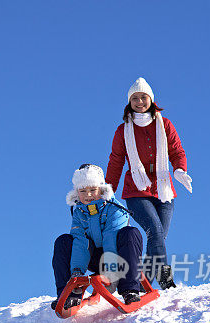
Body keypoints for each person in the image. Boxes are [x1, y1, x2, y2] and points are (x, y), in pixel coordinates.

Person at [106, 77, 193, 289]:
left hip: (164, 190)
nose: (139, 102)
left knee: (158, 238)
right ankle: (165, 278)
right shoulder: (123, 130)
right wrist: (108, 189)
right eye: (135, 98)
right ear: (129, 102)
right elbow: (116, 160)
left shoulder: (164, 125)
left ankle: (141, 283)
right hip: (136, 190)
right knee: (154, 232)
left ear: (151, 99)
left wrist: (180, 169)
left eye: (143, 97)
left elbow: (176, 150)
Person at [52, 164, 143, 309]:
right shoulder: (79, 212)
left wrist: (111, 271)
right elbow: (80, 242)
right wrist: (76, 275)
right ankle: (66, 293)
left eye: (92, 190)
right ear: (77, 192)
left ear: (101, 189)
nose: (88, 195)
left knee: (130, 233)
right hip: (93, 257)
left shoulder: (115, 208)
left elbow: (110, 238)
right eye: (83, 191)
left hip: (119, 257)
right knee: (64, 241)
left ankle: (130, 290)